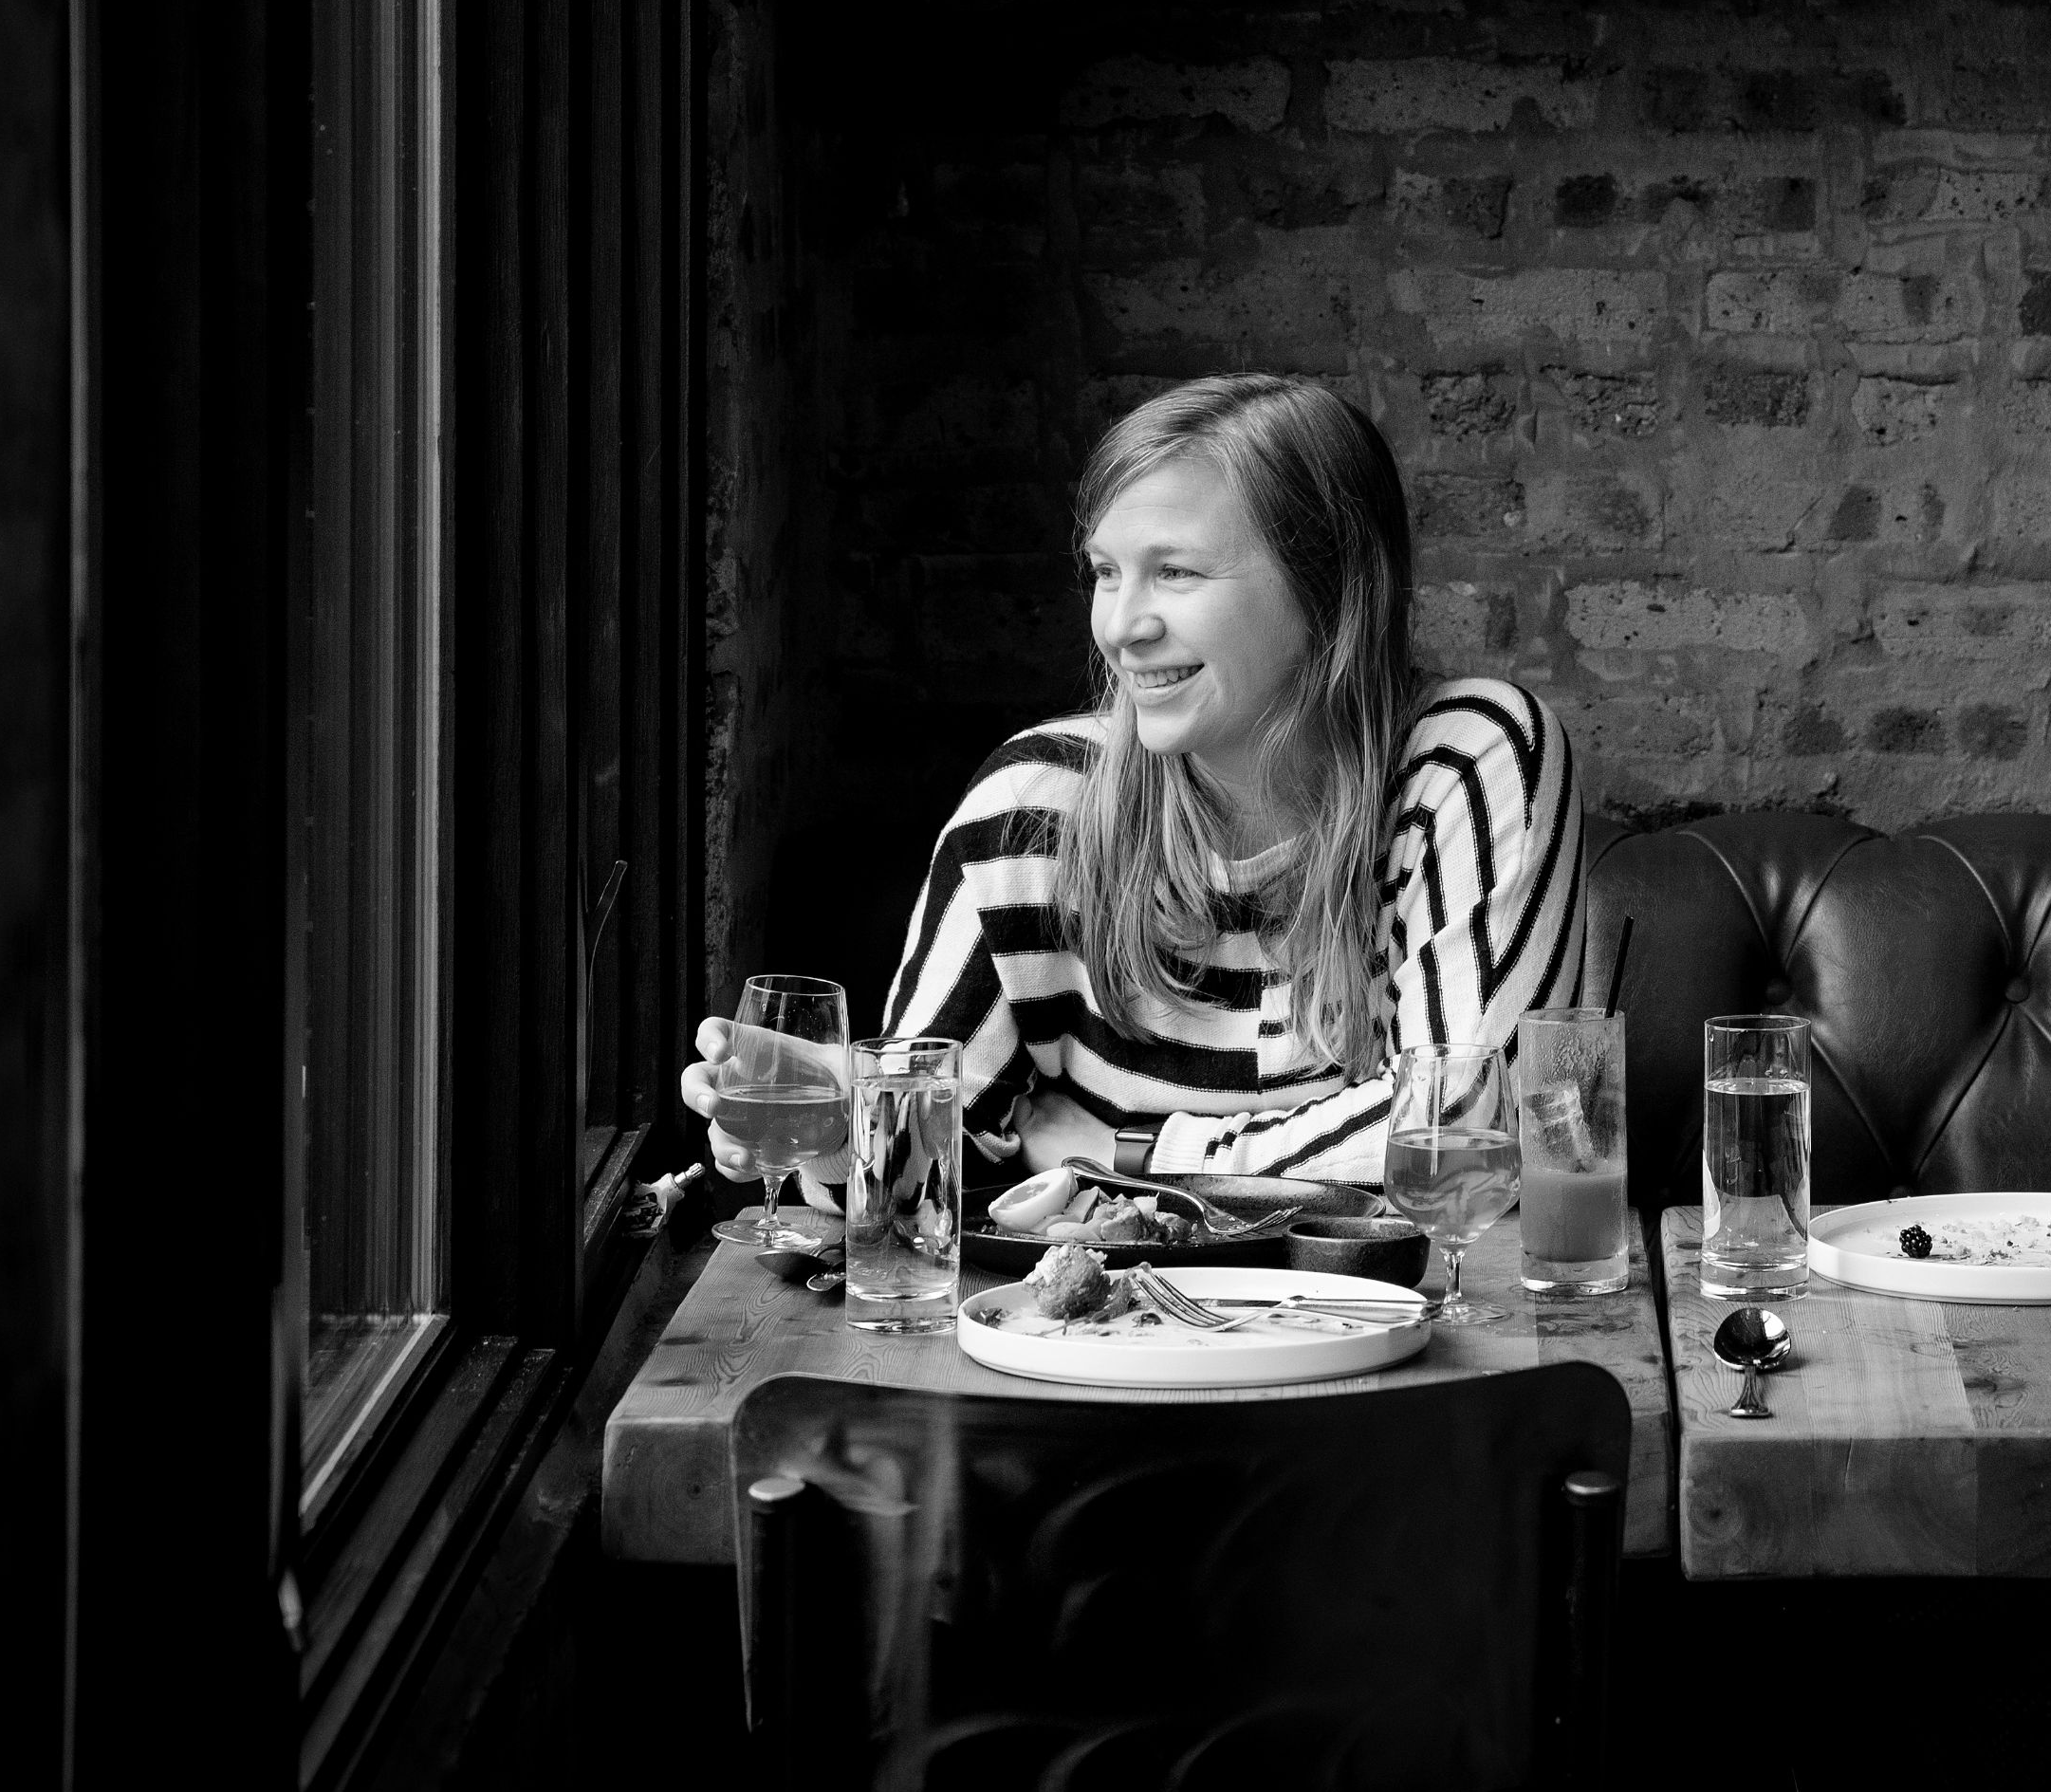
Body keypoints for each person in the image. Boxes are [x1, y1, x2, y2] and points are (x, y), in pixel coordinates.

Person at [679, 372, 1585, 1199]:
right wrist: (839, 1131)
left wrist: (1129, 1154)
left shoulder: (1465, 763)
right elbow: (915, 1180)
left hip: (1394, 1360)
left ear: (1331, 593)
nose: (1120, 626)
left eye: (1176, 571)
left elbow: (1468, 1133)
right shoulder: (1034, 808)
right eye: (1106, 572)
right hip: (1088, 1362)